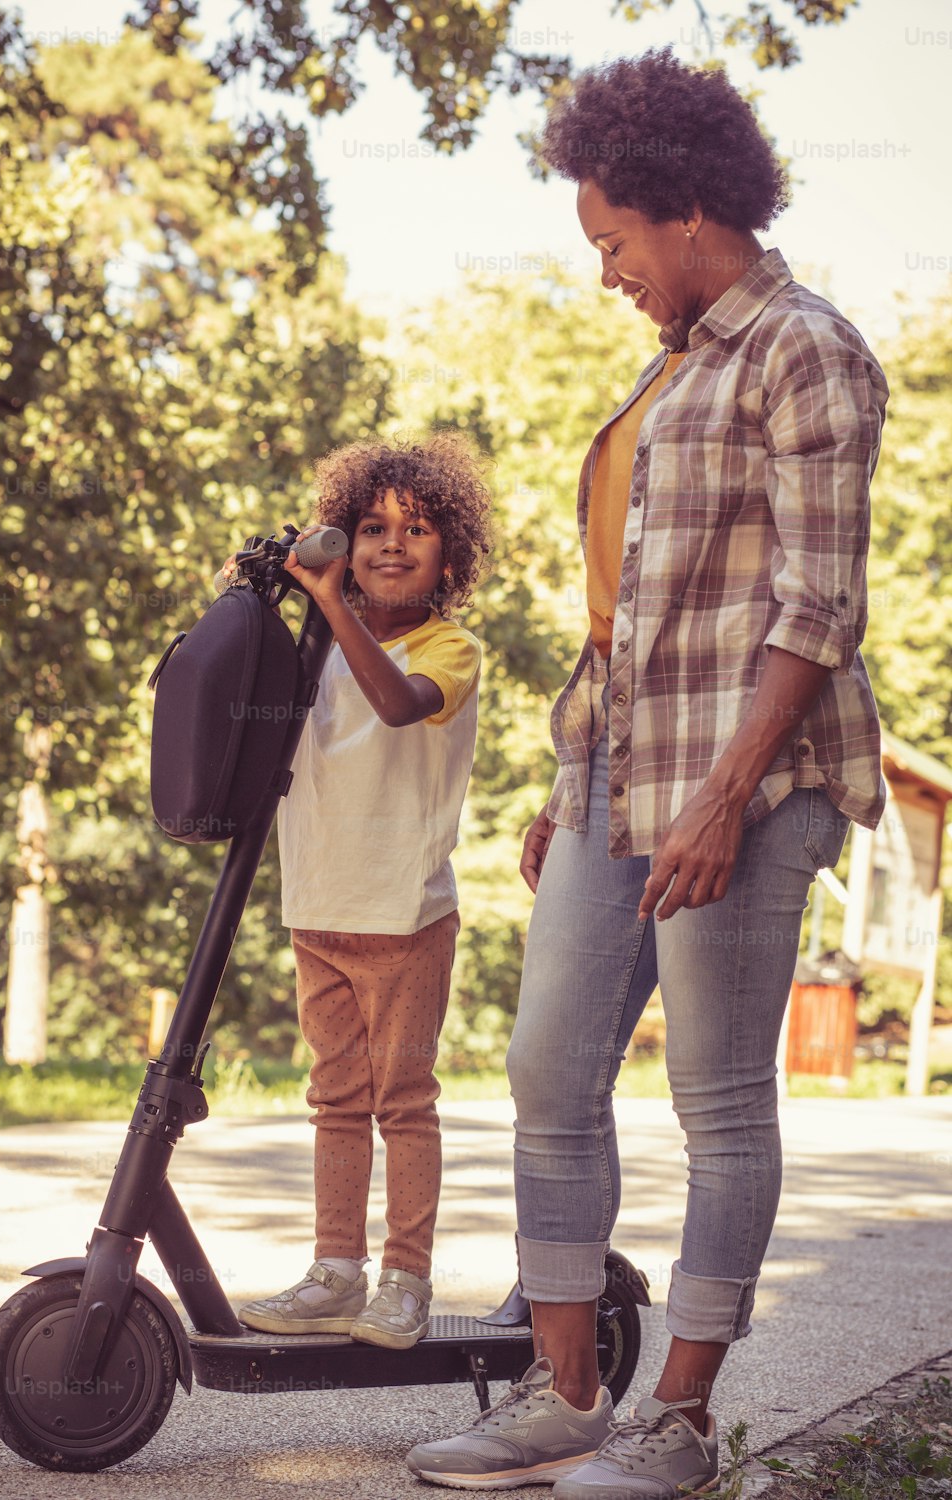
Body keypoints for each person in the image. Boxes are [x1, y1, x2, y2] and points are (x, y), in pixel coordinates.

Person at [406, 47, 888, 1496]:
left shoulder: (804, 346)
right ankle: (564, 1397)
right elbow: (630, 614)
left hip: (746, 784)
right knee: (547, 1068)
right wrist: (574, 784)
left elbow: (821, 604)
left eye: (612, 239)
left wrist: (724, 796)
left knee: (720, 1099)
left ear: (686, 209)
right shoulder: (674, 364)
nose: (605, 268)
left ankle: (675, 1419)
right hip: (621, 778)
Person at [237, 432, 491, 1351]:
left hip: (405, 916)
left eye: (416, 529)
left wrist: (331, 602)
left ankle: (405, 1281)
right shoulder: (314, 647)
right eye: (371, 526)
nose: (392, 543)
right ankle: (336, 1271)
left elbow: (395, 702)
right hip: (317, 906)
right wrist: (257, 592)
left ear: (450, 558)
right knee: (335, 1099)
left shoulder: (450, 648)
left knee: (403, 1102)